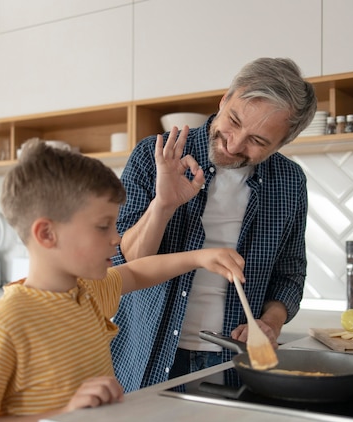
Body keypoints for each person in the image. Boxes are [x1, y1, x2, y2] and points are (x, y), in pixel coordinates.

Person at [0, 139, 245, 422]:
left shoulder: (87, 291)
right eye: (103, 226)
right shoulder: (9, 321)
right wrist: (64, 417)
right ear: (47, 234)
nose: (116, 238)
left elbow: (138, 272)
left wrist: (199, 258)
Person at [111, 57, 317, 392]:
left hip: (235, 360)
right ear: (225, 99)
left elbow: (289, 275)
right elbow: (127, 266)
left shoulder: (289, 181)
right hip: (149, 350)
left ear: (282, 144)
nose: (234, 144)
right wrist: (163, 205)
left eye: (258, 141)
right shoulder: (157, 153)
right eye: (233, 121)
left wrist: (270, 323)